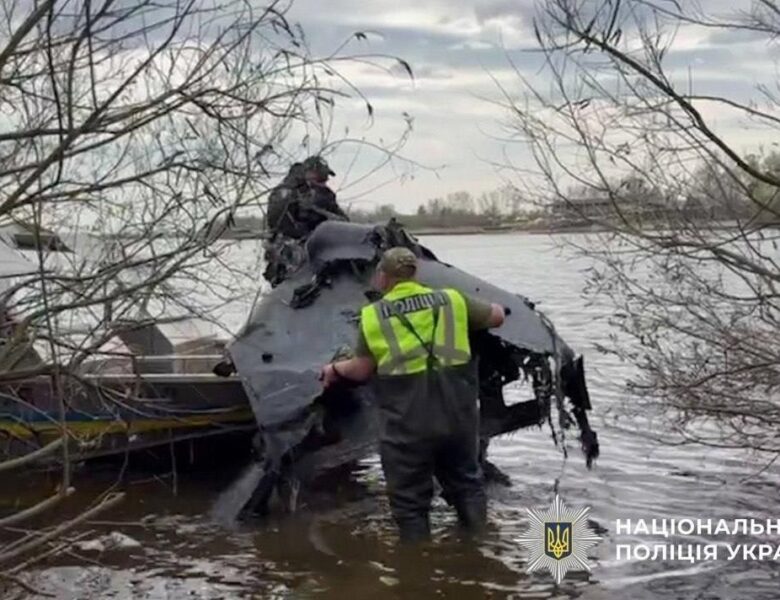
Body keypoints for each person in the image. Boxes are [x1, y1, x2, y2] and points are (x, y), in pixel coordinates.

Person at [320, 247, 506, 542]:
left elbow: (361, 370)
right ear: (415, 273)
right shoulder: (452, 299)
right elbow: (497, 316)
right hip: (457, 419)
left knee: (410, 504)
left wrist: (333, 369)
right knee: (467, 485)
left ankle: (418, 560)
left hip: (407, 425)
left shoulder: (373, 315)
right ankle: (480, 546)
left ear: (382, 278)